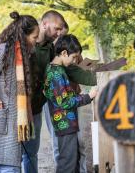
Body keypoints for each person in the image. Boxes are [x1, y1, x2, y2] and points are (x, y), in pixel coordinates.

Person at [22, 10, 97, 173]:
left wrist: (98, 78)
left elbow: (69, 73)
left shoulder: (51, 51)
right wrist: (88, 97)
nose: (59, 33)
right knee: (18, 154)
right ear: (44, 24)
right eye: (57, 28)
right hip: (22, 107)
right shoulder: (26, 45)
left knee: (32, 153)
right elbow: (62, 99)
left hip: (38, 108)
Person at [0, 11, 39, 173]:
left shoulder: (22, 57)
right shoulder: (4, 51)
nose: (37, 41)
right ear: (23, 36)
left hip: (10, 132)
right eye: (34, 37)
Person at [44, 34, 97, 173]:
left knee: (73, 160)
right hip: (65, 124)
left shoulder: (58, 70)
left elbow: (62, 96)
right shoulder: (55, 73)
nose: (74, 61)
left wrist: (76, 95)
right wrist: (88, 96)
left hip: (68, 123)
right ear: (64, 53)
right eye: (74, 57)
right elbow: (65, 102)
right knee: (67, 163)